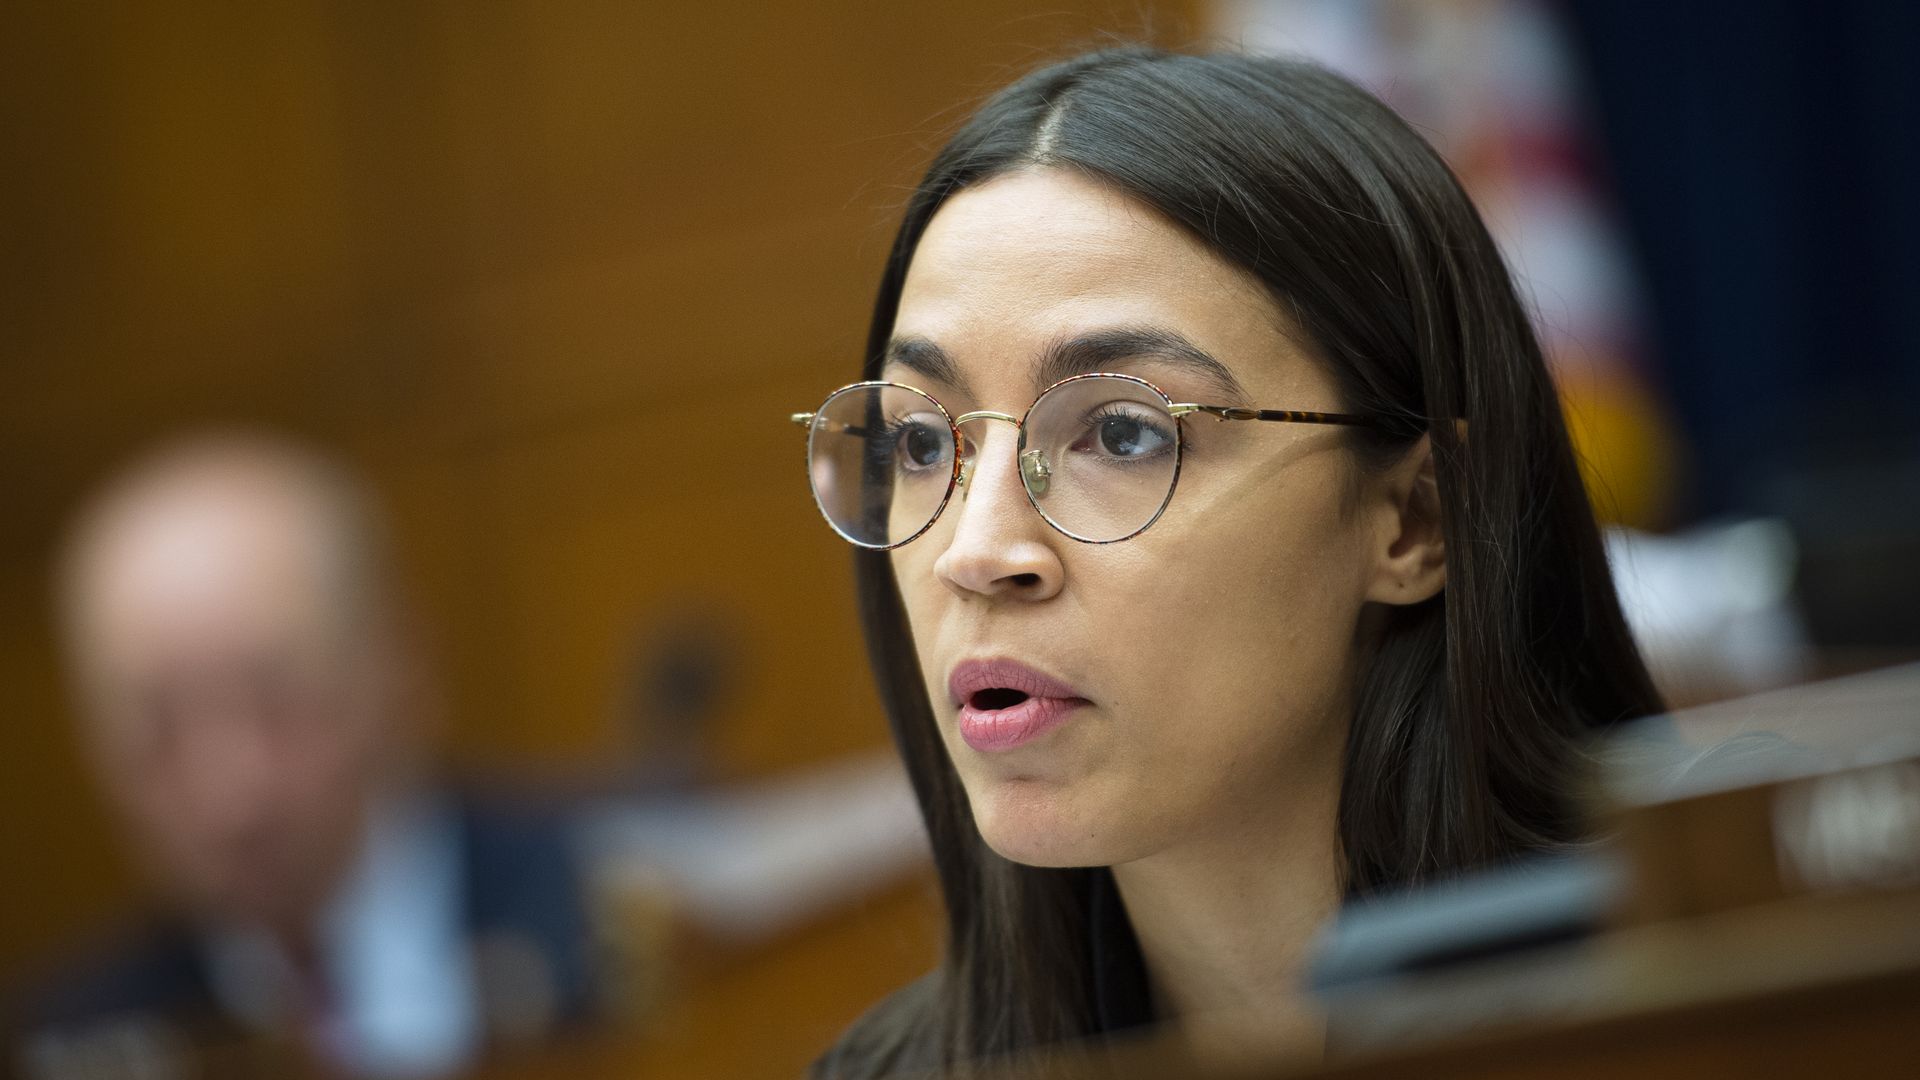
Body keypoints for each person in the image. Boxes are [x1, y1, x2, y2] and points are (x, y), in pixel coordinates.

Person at [794, 46, 1665, 1075]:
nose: (976, 553)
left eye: (1121, 435)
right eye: (924, 443)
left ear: (1418, 521)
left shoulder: (1737, 1013)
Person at [12, 433, 598, 1079]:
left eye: (276, 698)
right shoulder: (65, 1042)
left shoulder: (620, 923)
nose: (231, 794)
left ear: (400, 670)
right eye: (158, 730)